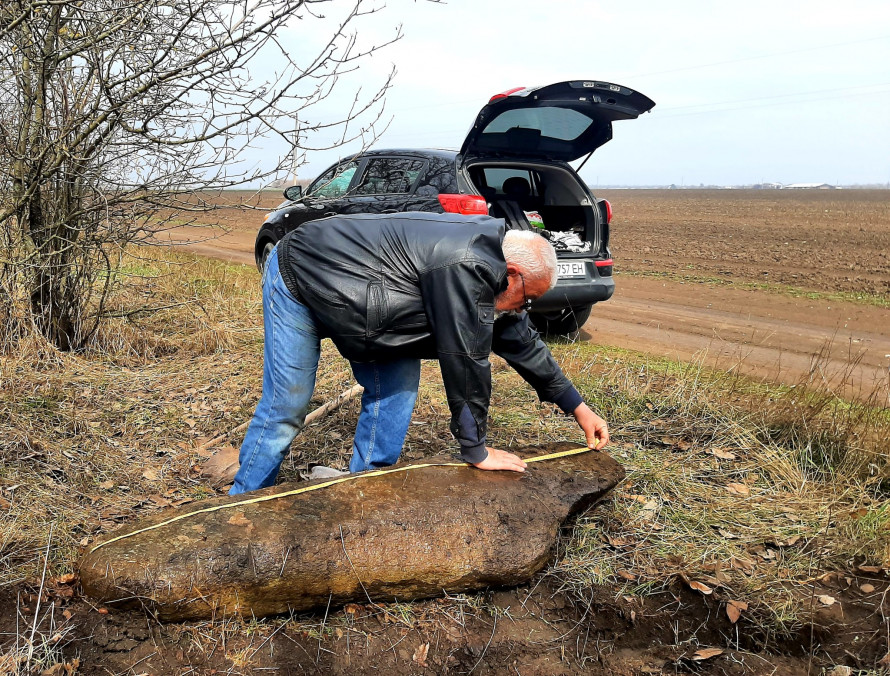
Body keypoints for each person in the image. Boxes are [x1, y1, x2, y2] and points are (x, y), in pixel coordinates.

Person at [230, 212, 609, 495]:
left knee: (397, 392)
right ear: (511, 273)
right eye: (527, 298)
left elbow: (521, 341)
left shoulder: (495, 274)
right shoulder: (466, 265)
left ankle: (364, 490)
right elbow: (465, 358)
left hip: (376, 303)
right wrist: (476, 450)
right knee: (288, 403)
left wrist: (578, 407)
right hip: (300, 273)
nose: (524, 308)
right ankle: (243, 503)